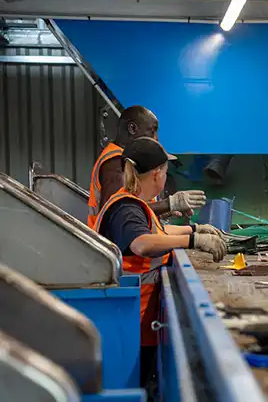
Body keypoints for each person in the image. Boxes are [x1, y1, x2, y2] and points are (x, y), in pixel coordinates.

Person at [93, 137, 227, 391]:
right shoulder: (126, 208)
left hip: (136, 319)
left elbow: (159, 231)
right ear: (157, 175)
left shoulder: (135, 204)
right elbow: (141, 243)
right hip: (134, 321)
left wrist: (196, 228)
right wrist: (193, 241)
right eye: (165, 172)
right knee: (137, 386)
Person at [87, 105, 206, 228]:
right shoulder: (116, 162)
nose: (156, 138)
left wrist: (162, 211)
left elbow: (133, 206)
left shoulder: (125, 159)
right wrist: (170, 204)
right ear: (132, 128)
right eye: (152, 131)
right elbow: (117, 212)